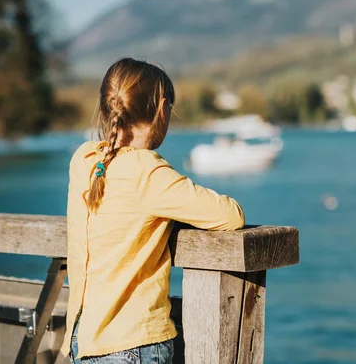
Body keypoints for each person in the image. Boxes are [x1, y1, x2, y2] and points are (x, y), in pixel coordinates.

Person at [61, 58, 245, 363]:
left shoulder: (83, 161)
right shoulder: (149, 174)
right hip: (133, 343)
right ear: (162, 110)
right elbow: (230, 215)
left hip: (84, 341)